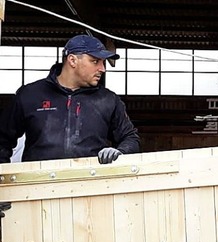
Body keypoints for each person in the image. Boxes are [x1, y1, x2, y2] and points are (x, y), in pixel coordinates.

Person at [0, 34, 140, 165]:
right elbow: (2, 139)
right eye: (95, 61)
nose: (102, 69)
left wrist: (120, 152)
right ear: (72, 60)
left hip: (91, 184)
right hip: (38, 184)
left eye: (103, 63)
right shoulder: (30, 95)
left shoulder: (108, 100)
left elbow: (130, 138)